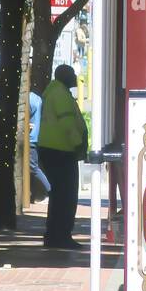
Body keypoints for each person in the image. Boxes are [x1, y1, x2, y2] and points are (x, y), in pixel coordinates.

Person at [38, 64, 88, 249]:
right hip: (62, 151)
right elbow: (68, 124)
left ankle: (54, 235)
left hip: (54, 150)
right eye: (72, 74)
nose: (75, 77)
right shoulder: (60, 94)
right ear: (65, 76)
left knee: (58, 196)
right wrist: (78, 146)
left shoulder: (55, 92)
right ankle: (61, 235)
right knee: (66, 196)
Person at [28, 89, 51, 201]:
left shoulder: (28, 99)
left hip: (30, 138)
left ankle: (50, 191)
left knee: (33, 167)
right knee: (33, 167)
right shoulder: (37, 98)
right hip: (36, 137)